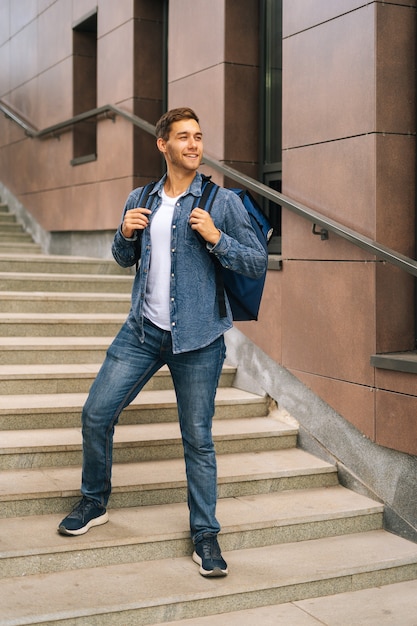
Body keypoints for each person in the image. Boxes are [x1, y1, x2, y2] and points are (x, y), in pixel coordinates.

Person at [58, 107, 267, 577]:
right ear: (163, 144)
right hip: (142, 332)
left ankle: (205, 533)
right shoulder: (141, 196)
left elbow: (257, 262)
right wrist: (124, 232)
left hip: (198, 340)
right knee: (96, 412)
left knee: (197, 438)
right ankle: (94, 501)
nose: (194, 144)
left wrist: (218, 239)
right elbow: (121, 257)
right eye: (184, 137)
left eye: (198, 136)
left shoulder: (221, 201)